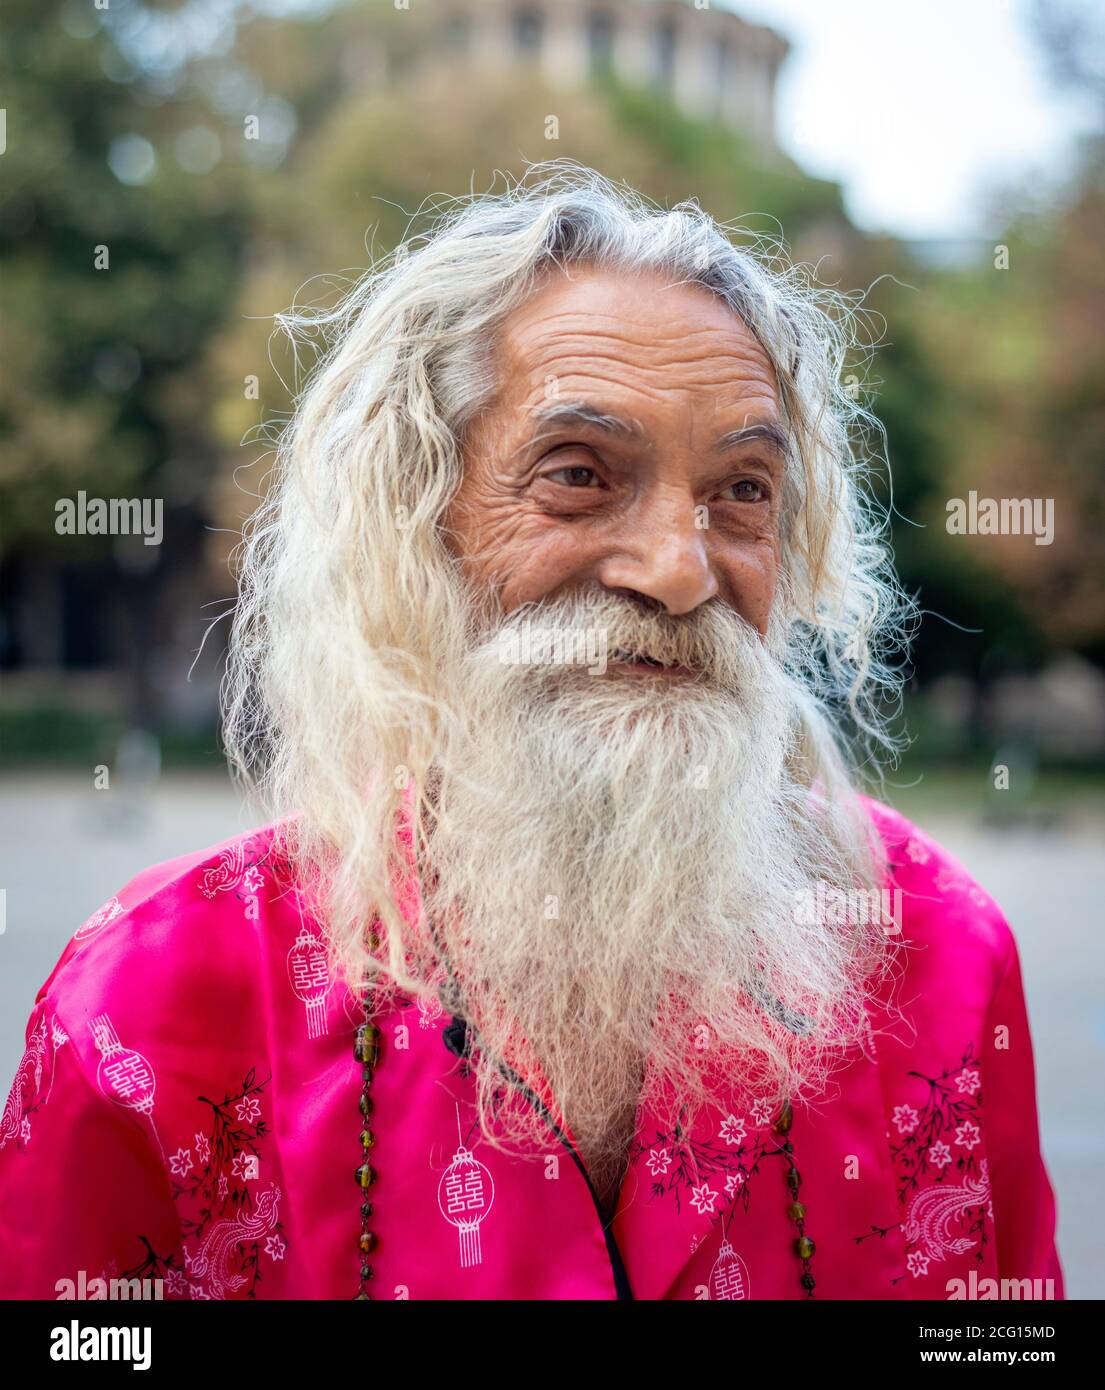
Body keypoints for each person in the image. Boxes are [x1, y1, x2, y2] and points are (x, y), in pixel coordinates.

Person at [0, 164, 1062, 1300]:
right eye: (578, 475)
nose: (677, 571)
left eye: (743, 490)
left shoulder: (938, 950)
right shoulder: (158, 1000)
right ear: (416, 518)